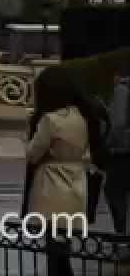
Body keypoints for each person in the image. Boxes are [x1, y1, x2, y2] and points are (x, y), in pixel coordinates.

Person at [25, 67, 107, 276]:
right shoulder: (83, 117)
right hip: (76, 181)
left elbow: (33, 154)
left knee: (54, 249)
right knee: (63, 246)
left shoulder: (50, 120)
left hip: (51, 184)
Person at [104, 65, 130, 235]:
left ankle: (121, 235)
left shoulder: (122, 89)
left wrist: (109, 145)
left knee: (114, 192)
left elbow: (118, 123)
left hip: (123, 152)